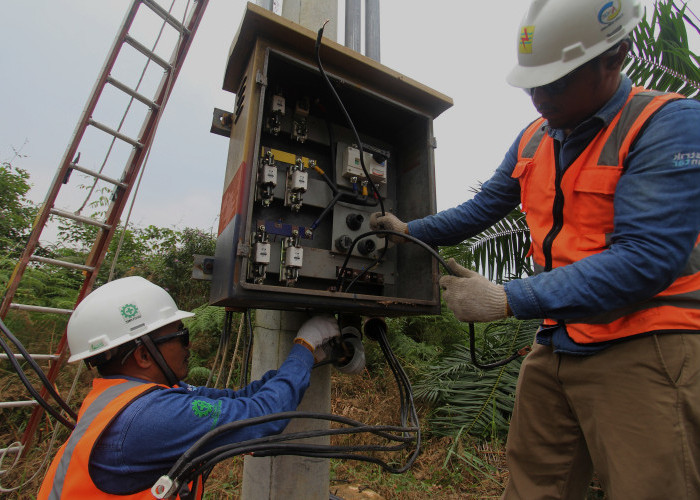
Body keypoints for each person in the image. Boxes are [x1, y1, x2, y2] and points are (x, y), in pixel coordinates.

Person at [371, 0, 700, 497]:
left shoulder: (666, 124)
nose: (539, 96)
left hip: (645, 342)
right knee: (531, 489)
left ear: (616, 58)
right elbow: (482, 209)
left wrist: (507, 299)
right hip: (559, 342)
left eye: (557, 80)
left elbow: (646, 258)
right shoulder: (533, 138)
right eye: (531, 82)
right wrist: (409, 230)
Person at [38, 276, 339, 499]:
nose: (188, 345)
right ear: (143, 355)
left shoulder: (121, 395)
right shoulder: (150, 416)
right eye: (180, 335)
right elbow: (262, 416)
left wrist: (302, 361)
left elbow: (239, 398)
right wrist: (304, 345)